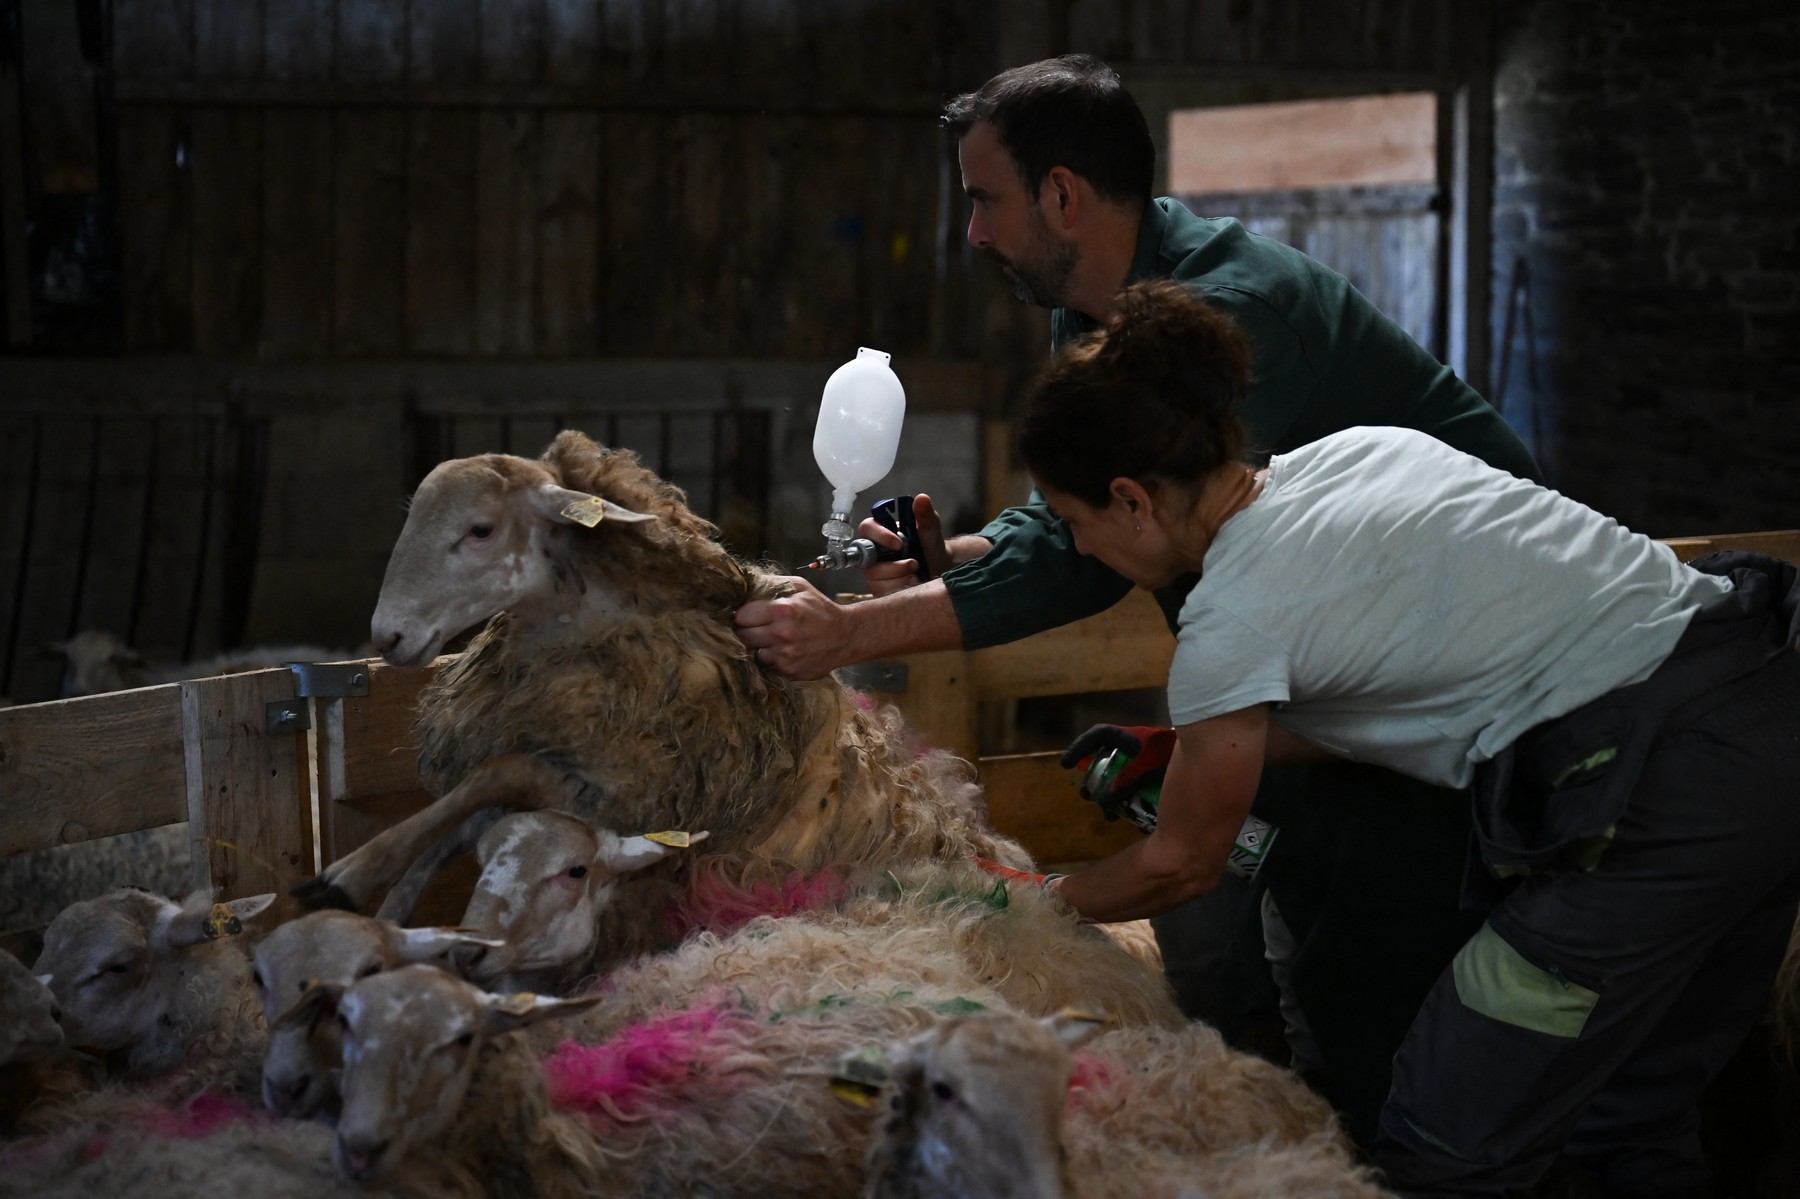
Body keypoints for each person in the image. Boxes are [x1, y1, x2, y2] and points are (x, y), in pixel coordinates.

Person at [738, 53, 1539, 1144]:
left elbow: (1096, 550)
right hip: (1308, 695)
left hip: (1447, 698)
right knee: (1251, 966)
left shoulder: (1230, 317)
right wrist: (952, 557)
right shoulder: (1103, 310)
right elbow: (1082, 520)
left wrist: (847, 632)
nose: (970, 232)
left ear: (1062, 194)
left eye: (984, 200)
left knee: (1368, 1010)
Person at [1003, 277, 1800, 1197]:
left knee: (1443, 1130)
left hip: (1654, 798)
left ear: (1134, 500)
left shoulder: (1228, 620)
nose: (1086, 548)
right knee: (1629, 1109)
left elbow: (1181, 864)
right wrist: (1196, 749)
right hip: (1764, 699)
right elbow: (1407, 679)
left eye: (1077, 524)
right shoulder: (1361, 453)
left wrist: (1036, 897)